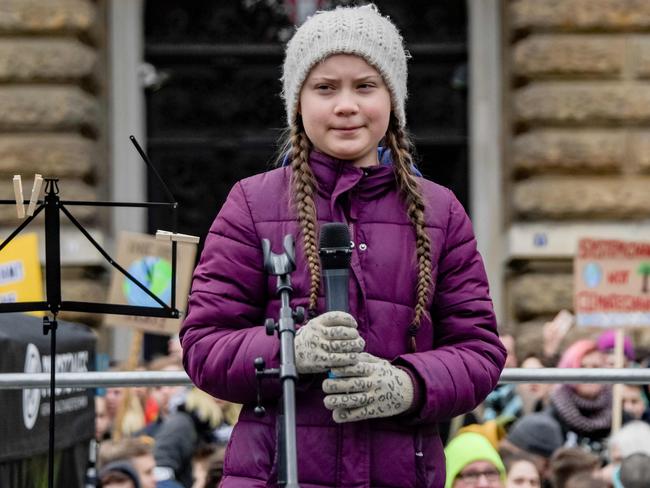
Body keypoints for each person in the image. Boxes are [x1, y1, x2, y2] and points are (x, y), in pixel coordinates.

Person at [180, 4, 506, 487]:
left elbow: (479, 351)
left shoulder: (443, 212)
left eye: (365, 86)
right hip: (275, 474)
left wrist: (409, 384)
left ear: (392, 98)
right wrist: (290, 351)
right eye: (325, 87)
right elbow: (204, 346)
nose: (346, 105)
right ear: (298, 102)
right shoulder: (251, 203)